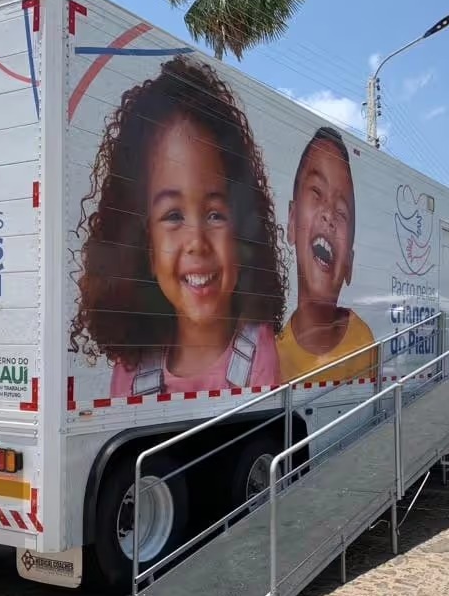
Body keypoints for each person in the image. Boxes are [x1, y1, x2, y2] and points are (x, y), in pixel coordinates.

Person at [69, 56, 287, 395]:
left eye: (215, 214)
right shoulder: (132, 368)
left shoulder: (257, 352)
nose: (197, 241)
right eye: (173, 216)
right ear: (146, 247)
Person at [276, 126, 376, 382]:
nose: (329, 215)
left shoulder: (364, 344)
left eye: (341, 212)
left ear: (349, 263)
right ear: (291, 221)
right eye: (317, 193)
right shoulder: (274, 356)